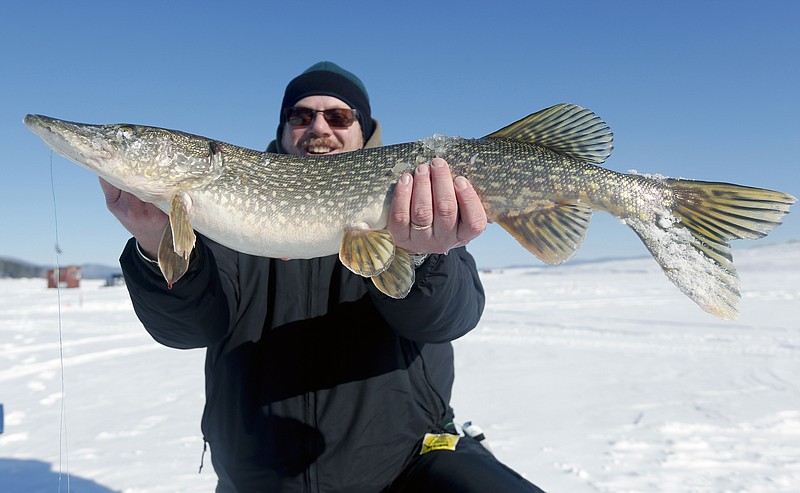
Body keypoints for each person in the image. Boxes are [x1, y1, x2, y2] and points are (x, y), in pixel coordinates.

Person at [100, 61, 546, 493]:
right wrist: (155, 242)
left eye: (338, 116)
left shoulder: (415, 205)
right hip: (259, 479)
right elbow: (187, 329)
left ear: (363, 131)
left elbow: (447, 321)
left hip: (407, 465)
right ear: (282, 129)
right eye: (300, 116)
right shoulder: (223, 224)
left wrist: (420, 256)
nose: (318, 128)